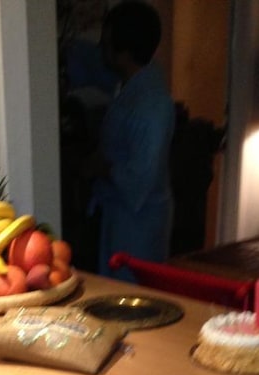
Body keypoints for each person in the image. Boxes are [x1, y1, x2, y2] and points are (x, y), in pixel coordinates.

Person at [86, 0, 175, 280]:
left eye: (106, 42)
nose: (101, 47)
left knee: (134, 293)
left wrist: (102, 168)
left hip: (139, 221)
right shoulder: (130, 85)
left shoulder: (153, 104)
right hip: (120, 212)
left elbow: (142, 178)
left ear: (123, 51)